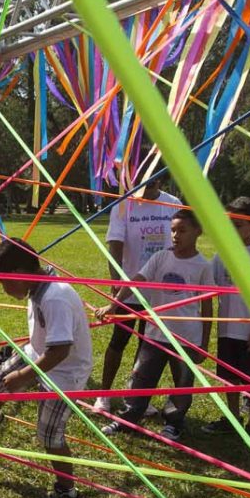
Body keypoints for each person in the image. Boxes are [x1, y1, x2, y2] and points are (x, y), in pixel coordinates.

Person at [0, 238, 94, 498]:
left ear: (18, 274)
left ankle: (68, 494)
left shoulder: (55, 297)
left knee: (49, 436)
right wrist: (24, 369)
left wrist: (24, 375)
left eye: (4, 283)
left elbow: (60, 351)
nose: (3, 289)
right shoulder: (39, 286)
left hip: (65, 373)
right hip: (38, 354)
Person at [97, 208, 212, 441]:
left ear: (198, 232)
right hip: (155, 333)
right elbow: (134, 282)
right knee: (140, 378)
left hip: (185, 338)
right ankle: (127, 419)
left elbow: (208, 308)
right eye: (172, 230)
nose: (175, 235)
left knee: (182, 383)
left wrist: (204, 343)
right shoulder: (160, 257)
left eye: (182, 230)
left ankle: (174, 423)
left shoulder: (203, 266)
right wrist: (113, 305)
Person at [96, 172, 179, 412]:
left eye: (150, 183)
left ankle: (134, 396)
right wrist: (117, 283)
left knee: (147, 345)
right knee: (118, 341)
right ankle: (104, 394)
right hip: (128, 289)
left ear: (160, 182)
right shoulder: (124, 205)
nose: (143, 188)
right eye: (139, 182)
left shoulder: (171, 204)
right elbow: (115, 245)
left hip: (158, 292)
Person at [201, 197, 250, 444]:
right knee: (228, 377)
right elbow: (209, 285)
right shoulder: (223, 254)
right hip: (226, 330)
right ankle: (232, 418)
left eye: (238, 224)